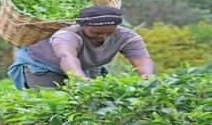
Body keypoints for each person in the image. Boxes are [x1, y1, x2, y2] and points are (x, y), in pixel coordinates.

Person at [8, 5, 155, 89]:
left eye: (109, 33)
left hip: (87, 66)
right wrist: (80, 78)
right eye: (95, 32)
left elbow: (142, 59)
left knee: (92, 102)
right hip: (44, 66)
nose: (102, 36)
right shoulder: (67, 34)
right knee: (51, 103)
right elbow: (66, 57)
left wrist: (146, 75)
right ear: (82, 25)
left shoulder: (126, 36)